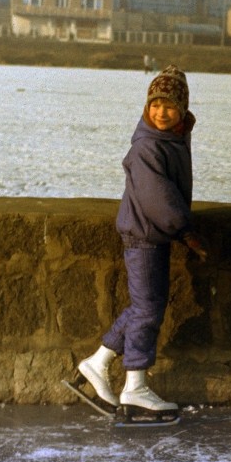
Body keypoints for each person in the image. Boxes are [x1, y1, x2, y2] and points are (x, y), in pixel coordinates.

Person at [74, 64, 207, 425]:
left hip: (149, 234)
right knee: (148, 310)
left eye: (169, 106)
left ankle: (98, 362)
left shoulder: (173, 138)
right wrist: (186, 231)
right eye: (155, 105)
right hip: (145, 235)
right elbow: (158, 198)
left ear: (182, 109)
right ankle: (135, 384)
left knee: (143, 306)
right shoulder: (149, 145)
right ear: (146, 107)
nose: (161, 112)